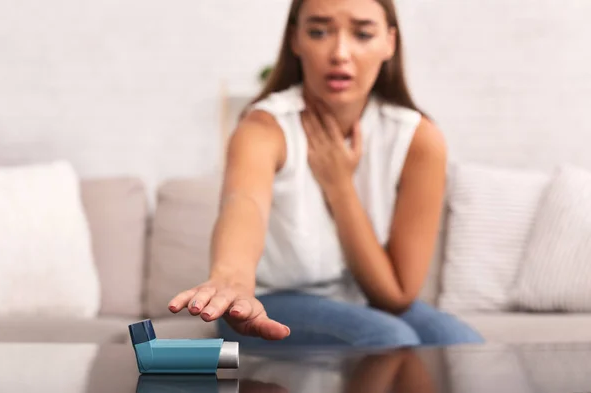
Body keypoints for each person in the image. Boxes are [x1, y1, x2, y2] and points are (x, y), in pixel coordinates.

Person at [168, 0, 484, 348]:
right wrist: (231, 278)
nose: (340, 52)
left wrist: (339, 186)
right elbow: (244, 203)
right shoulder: (262, 128)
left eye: (363, 34)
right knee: (389, 338)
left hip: (361, 300)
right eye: (318, 32)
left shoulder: (419, 138)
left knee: (462, 343)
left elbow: (396, 296)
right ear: (295, 40)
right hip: (270, 301)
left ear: (389, 43)